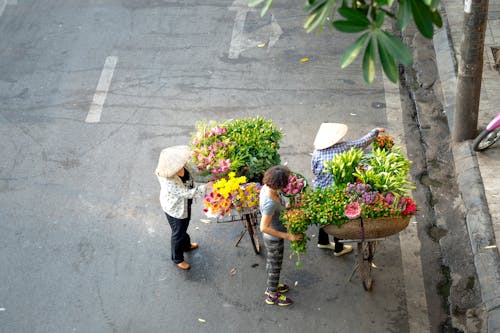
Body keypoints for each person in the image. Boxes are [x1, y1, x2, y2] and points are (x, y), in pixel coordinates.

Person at [311, 123, 385, 256]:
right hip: (337, 191)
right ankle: (339, 248)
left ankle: (323, 241)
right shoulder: (344, 148)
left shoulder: (317, 152)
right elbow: (362, 142)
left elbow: (314, 170)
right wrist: (375, 132)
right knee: (337, 220)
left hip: (320, 191)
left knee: (324, 215)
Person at [156, 145, 213, 270]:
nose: (182, 164)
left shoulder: (183, 166)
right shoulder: (168, 179)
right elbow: (185, 193)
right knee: (178, 232)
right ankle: (177, 258)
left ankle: (186, 245)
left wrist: (207, 172)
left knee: (183, 226)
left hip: (185, 204)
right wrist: (206, 187)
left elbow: (195, 174)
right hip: (175, 208)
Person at [259, 165, 303, 306]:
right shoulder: (269, 202)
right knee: (275, 266)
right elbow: (263, 227)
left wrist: (287, 208)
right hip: (274, 239)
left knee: (273, 263)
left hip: (275, 235)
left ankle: (273, 285)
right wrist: (288, 236)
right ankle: (271, 294)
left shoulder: (267, 188)